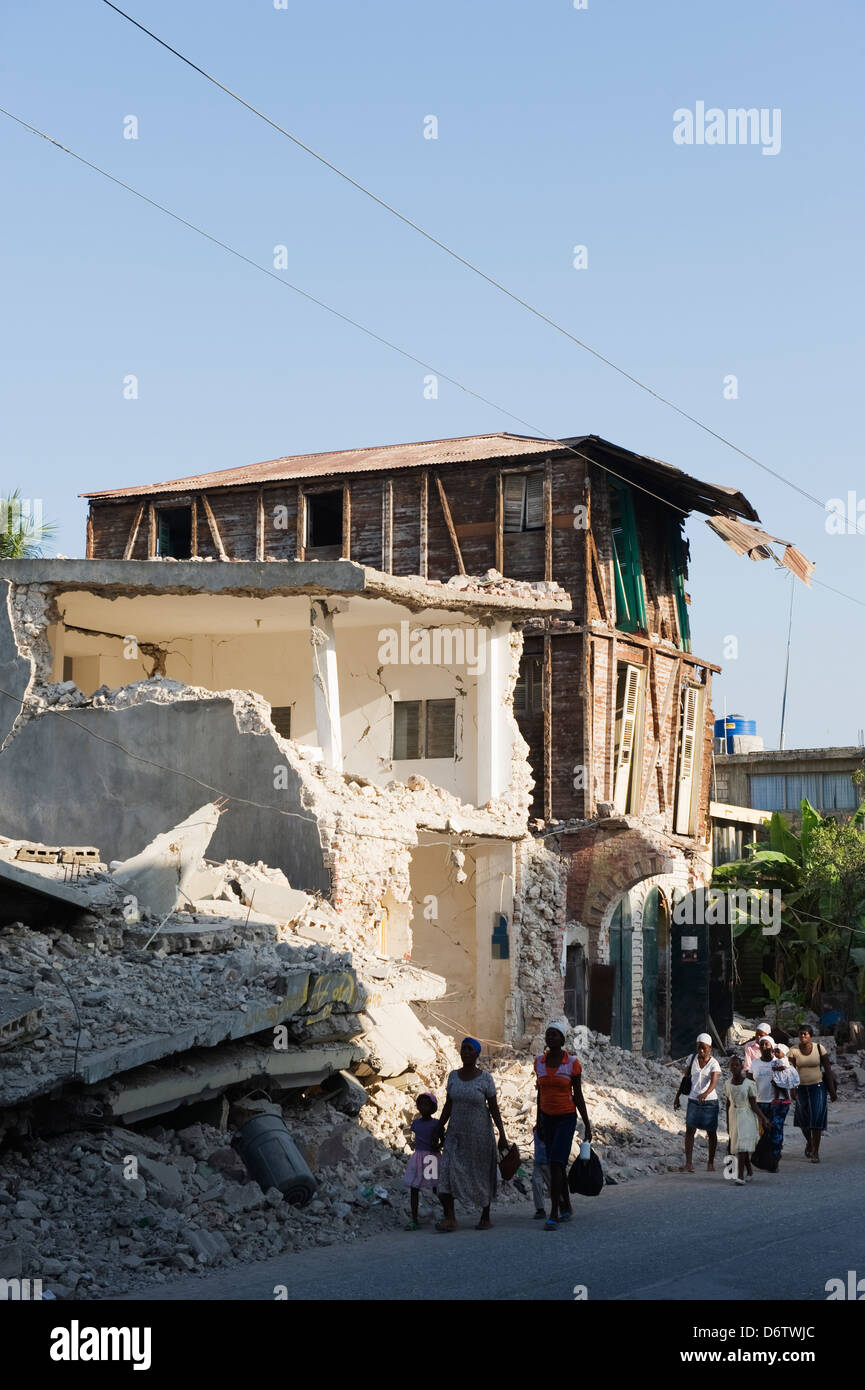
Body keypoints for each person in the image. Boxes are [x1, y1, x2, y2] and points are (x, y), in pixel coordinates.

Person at [434, 1037, 509, 1231]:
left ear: (477, 1054)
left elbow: (494, 1108)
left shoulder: (485, 1079)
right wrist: (439, 1127)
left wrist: (502, 1134)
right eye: (463, 1049)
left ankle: (485, 1216)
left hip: (480, 1136)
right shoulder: (452, 1077)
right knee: (446, 1171)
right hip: (455, 1134)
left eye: (469, 1049)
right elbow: (448, 1104)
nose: (465, 1052)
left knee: (481, 1173)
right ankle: (450, 1217)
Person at [534, 1020, 592, 1230]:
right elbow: (539, 1092)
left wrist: (587, 1123)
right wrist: (537, 1120)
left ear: (562, 1039)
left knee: (557, 1163)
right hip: (547, 1118)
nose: (550, 1038)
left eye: (555, 1035)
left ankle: (554, 1213)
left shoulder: (572, 1063)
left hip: (566, 1118)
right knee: (554, 1164)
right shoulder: (539, 1062)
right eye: (548, 1035)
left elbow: (578, 1095)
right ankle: (566, 1205)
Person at [748, 1036, 799, 1171]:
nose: (764, 1047)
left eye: (767, 1044)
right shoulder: (755, 1063)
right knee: (765, 1132)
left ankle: (775, 1158)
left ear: (772, 1046)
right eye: (762, 1045)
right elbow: (750, 1081)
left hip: (778, 1103)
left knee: (776, 1130)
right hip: (760, 1102)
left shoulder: (780, 1061)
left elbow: (790, 1077)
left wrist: (793, 1093)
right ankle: (765, 1158)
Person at [789, 1025, 837, 1163]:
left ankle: (815, 1151)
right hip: (801, 1088)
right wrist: (792, 1089)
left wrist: (832, 1091)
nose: (803, 1036)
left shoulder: (819, 1048)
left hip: (818, 1086)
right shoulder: (793, 1050)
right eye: (800, 1034)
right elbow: (790, 1072)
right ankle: (809, 1142)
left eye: (805, 1034)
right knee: (803, 1119)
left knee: (816, 1118)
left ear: (810, 1035)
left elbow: (828, 1070)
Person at [674, 1033, 721, 1172]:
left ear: (710, 1048)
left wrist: (705, 1093)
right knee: (690, 1130)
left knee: (711, 1132)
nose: (701, 1051)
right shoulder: (692, 1059)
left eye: (704, 1048)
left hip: (710, 1102)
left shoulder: (714, 1064)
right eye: (699, 1047)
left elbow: (714, 1082)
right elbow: (685, 1079)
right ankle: (688, 1163)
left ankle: (710, 1162)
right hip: (693, 1100)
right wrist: (677, 1097)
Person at [724, 1056, 766, 1184]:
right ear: (729, 1068)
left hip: (746, 1115)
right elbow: (728, 1103)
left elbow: (754, 1104)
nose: (734, 1067)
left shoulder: (749, 1084)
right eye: (732, 1065)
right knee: (737, 1145)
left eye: (737, 1065)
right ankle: (750, 1170)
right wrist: (727, 1121)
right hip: (733, 1115)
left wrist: (763, 1118)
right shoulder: (727, 1084)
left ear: (742, 1067)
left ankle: (740, 1176)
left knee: (742, 1146)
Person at [403, 1091, 440, 1230]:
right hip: (418, 1157)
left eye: (427, 1105)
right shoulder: (415, 1123)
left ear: (432, 1108)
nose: (423, 1107)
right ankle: (414, 1219)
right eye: (421, 1104)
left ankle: (448, 1214)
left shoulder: (436, 1124)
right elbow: (410, 1135)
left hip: (431, 1158)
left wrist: (438, 1145)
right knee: (414, 1187)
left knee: (436, 1187)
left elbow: (443, 1139)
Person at [531, 1125, 551, 1219]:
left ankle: (561, 1206)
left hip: (550, 1163)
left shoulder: (553, 1129)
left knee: (553, 1186)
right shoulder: (536, 1129)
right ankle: (540, 1209)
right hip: (538, 1163)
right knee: (537, 1185)